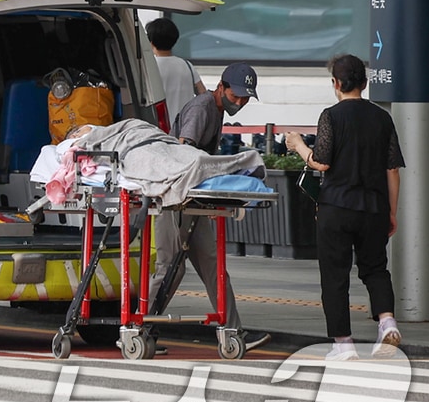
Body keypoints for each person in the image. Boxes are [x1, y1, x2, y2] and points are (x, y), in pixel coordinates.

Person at [285, 54, 404, 361]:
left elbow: (322, 161)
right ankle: (387, 323)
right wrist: (391, 211)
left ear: (335, 83)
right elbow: (392, 169)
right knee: (376, 269)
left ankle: (344, 344)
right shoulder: (382, 118)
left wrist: (298, 145)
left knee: (335, 275)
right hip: (374, 208)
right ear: (364, 84)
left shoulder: (331, 116)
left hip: (336, 208)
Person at [150, 62, 270, 353]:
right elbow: (183, 150)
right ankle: (138, 326)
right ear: (221, 87)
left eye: (244, 98)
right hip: (174, 197)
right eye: (236, 95)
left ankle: (233, 332)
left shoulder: (216, 110)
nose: (239, 102)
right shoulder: (202, 108)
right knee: (169, 268)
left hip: (192, 199)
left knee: (213, 265)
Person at [146, 17, 207, 119]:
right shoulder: (187, 65)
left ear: (151, 42)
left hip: (159, 129)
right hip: (185, 128)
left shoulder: (149, 67)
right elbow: (204, 96)